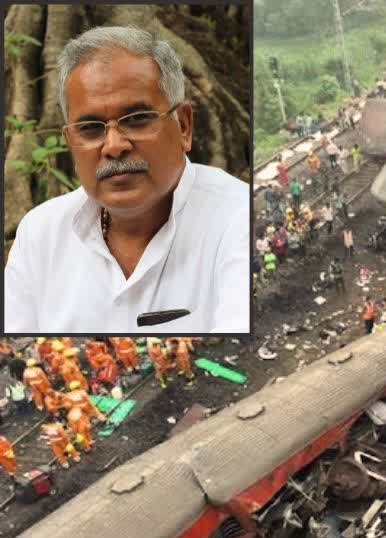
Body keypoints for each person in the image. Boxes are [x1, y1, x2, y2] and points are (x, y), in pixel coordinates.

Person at [4, 26, 250, 333]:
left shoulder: (238, 219)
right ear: (70, 141)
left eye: (136, 120)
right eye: (91, 128)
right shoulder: (40, 235)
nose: (114, 145)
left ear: (184, 126)